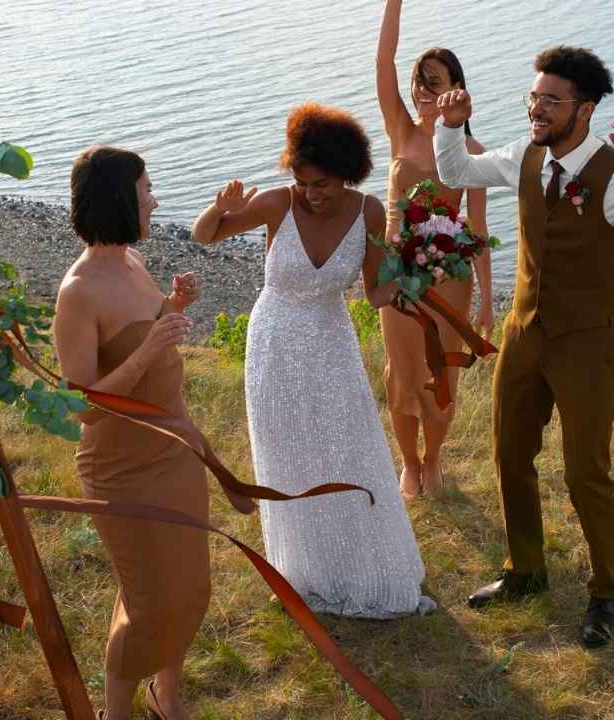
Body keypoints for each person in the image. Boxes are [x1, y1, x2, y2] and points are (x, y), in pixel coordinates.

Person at [434, 46, 614, 647]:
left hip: (586, 344)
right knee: (509, 454)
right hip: (524, 334)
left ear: (584, 109)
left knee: (586, 472)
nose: (537, 108)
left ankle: (607, 594)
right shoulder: (524, 156)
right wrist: (449, 128)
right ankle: (524, 571)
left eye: (551, 101)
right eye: (534, 97)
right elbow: (457, 173)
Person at [191, 103, 434, 618]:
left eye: (322, 183)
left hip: (331, 343)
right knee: (288, 452)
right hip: (274, 343)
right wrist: (221, 207)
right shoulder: (276, 203)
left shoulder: (368, 211)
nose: (312, 194)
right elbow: (204, 236)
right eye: (303, 182)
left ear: (347, 173)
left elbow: (376, 293)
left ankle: (362, 563)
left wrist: (415, 275)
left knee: (346, 446)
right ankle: (305, 569)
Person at [54, 145, 206, 720]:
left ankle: (166, 697)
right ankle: (114, 711)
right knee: (149, 604)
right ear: (121, 199)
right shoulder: (78, 292)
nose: (155, 199)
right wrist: (147, 350)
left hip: (173, 451)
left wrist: (173, 306)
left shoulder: (133, 263)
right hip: (122, 470)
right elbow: (84, 408)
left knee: (190, 591)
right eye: (146, 191)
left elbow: (144, 336)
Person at [375, 0, 495, 501]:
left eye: (435, 81)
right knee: (403, 372)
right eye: (419, 81)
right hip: (398, 273)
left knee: (440, 370)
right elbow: (382, 63)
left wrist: (488, 300)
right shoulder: (399, 129)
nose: (423, 90)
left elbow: (482, 230)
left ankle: (433, 459)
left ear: (456, 90)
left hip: (451, 276)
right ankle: (407, 463)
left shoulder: (473, 153)